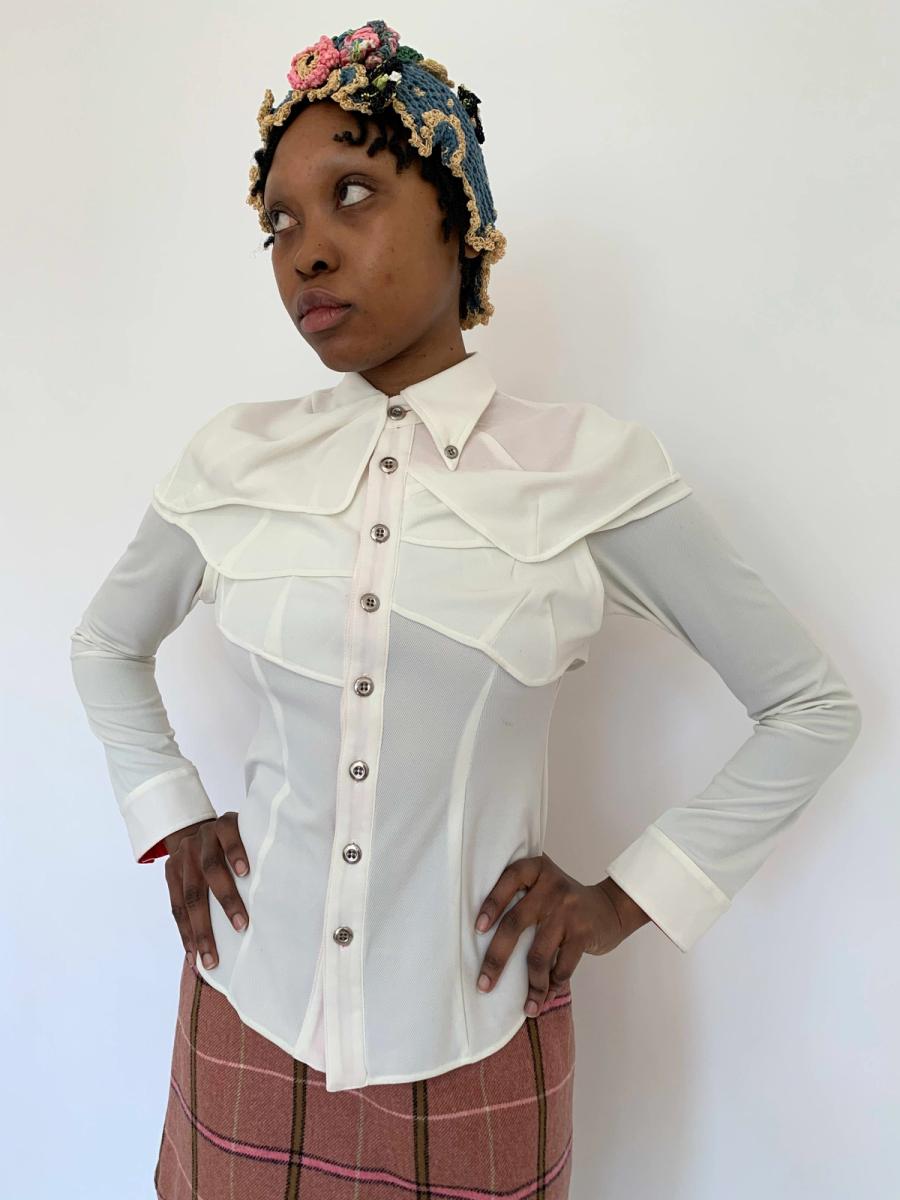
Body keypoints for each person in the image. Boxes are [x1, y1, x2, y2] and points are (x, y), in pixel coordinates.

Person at [69, 20, 862, 1199]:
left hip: (478, 1046)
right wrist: (170, 809)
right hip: (245, 1019)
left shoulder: (590, 469)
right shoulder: (232, 459)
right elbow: (104, 644)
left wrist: (625, 901)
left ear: (455, 213)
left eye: (352, 194)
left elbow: (808, 706)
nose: (306, 252)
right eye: (280, 223)